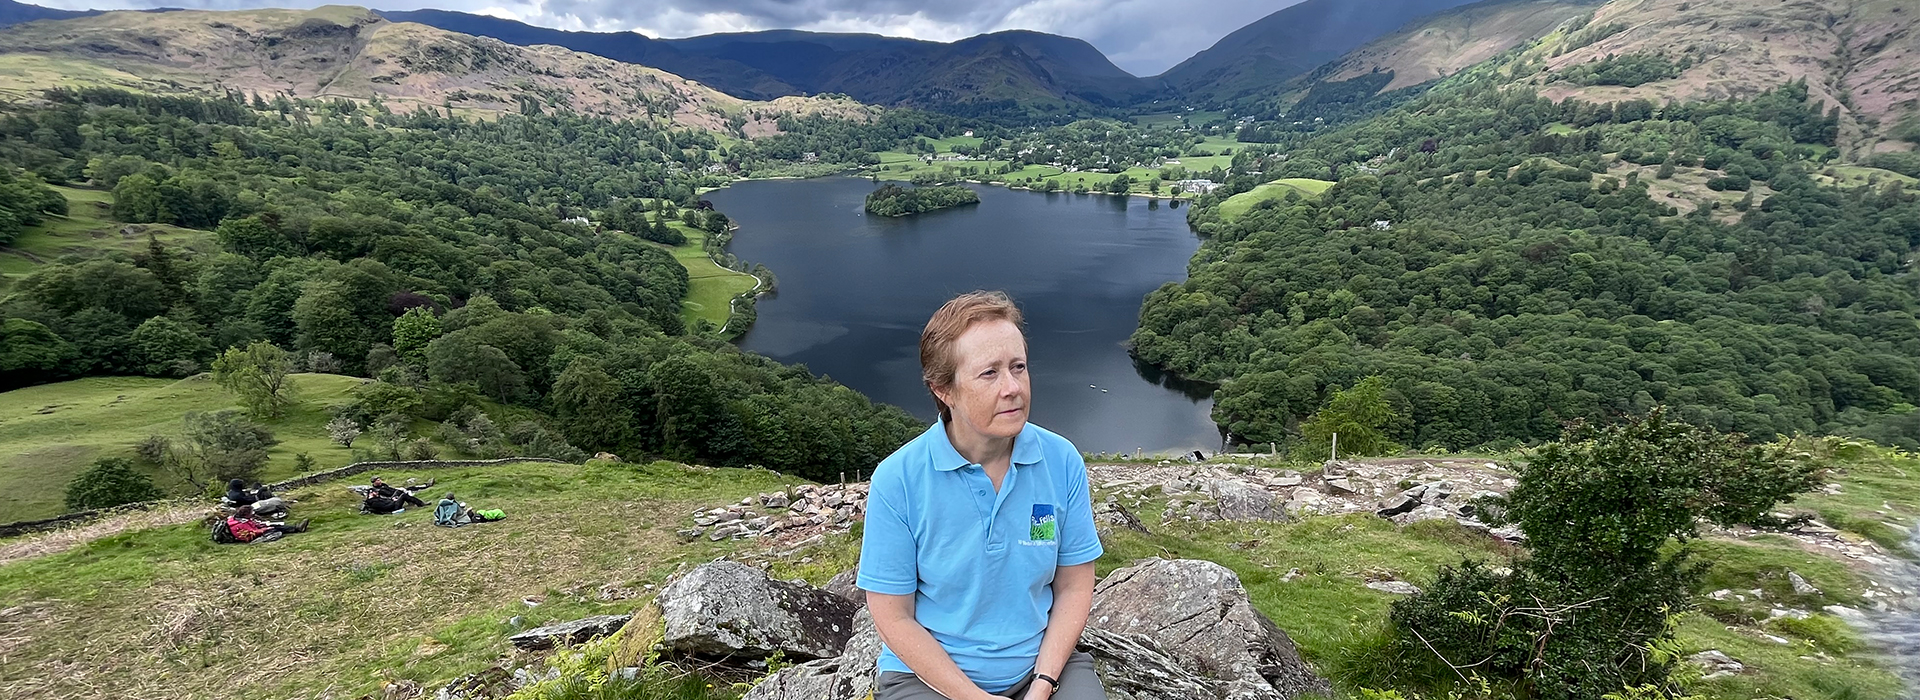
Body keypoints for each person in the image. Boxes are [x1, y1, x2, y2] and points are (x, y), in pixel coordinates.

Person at [858, 291, 1105, 700]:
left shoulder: (1060, 461)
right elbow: (892, 615)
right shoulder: (898, 480)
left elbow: (1074, 587)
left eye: (1018, 367)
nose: (1012, 388)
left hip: (1039, 666)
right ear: (944, 390)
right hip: (929, 678)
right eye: (989, 373)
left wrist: (1043, 683)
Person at [226, 505, 309, 543]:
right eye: (251, 512)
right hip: (250, 537)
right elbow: (251, 532)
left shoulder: (242, 519)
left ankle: (296, 528)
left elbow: (254, 525)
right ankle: (297, 528)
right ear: (246, 514)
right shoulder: (240, 524)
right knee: (274, 529)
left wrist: (264, 524)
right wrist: (264, 529)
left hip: (255, 531)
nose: (253, 514)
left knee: (274, 526)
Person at [362, 476, 431, 515]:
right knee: (404, 495)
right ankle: (421, 504)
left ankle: (420, 498)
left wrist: (392, 500)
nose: (377, 493)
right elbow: (385, 507)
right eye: (377, 480)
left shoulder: (377, 496)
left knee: (405, 491)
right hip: (394, 507)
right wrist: (393, 501)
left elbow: (386, 501)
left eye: (379, 480)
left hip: (392, 502)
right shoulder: (374, 502)